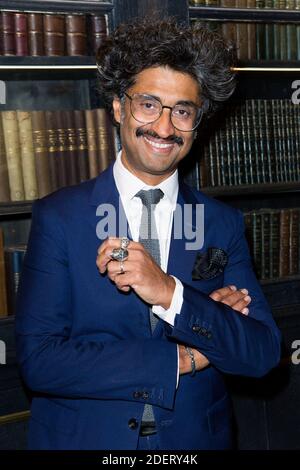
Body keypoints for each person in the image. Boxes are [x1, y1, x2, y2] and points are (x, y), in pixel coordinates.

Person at [16, 17, 281, 450]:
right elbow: (40, 361)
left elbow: (262, 352)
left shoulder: (222, 223)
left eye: (182, 111)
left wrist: (170, 293)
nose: (163, 127)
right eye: (148, 104)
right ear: (119, 107)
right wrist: (184, 357)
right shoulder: (60, 217)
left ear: (197, 120)